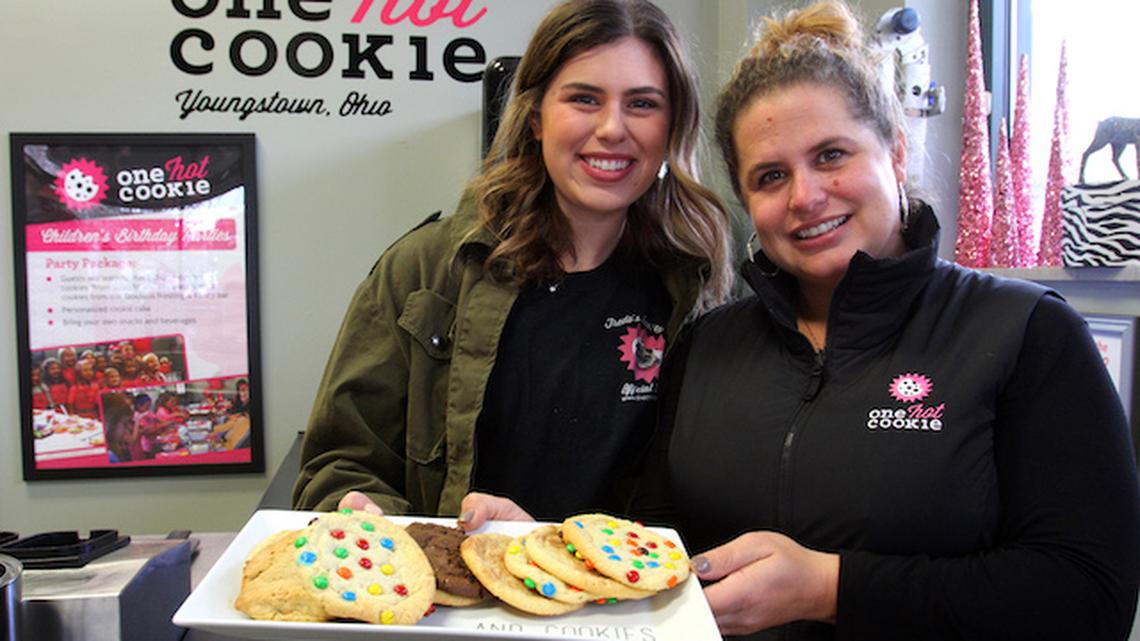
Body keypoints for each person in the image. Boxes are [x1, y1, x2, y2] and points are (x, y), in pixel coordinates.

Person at [630, 3, 1140, 639]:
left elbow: (1089, 598)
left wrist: (831, 589)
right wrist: (538, 540)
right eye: (770, 176)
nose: (805, 197)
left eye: (832, 155)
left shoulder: (1027, 333)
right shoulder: (706, 345)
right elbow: (650, 546)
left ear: (895, 154)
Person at [292, 0, 733, 520]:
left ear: (672, 127)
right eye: (584, 99)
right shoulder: (423, 271)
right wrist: (379, 524)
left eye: (642, 104)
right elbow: (336, 465)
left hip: (609, 599)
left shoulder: (695, 291)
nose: (614, 128)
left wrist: (552, 553)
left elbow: (700, 501)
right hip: (441, 595)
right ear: (536, 117)